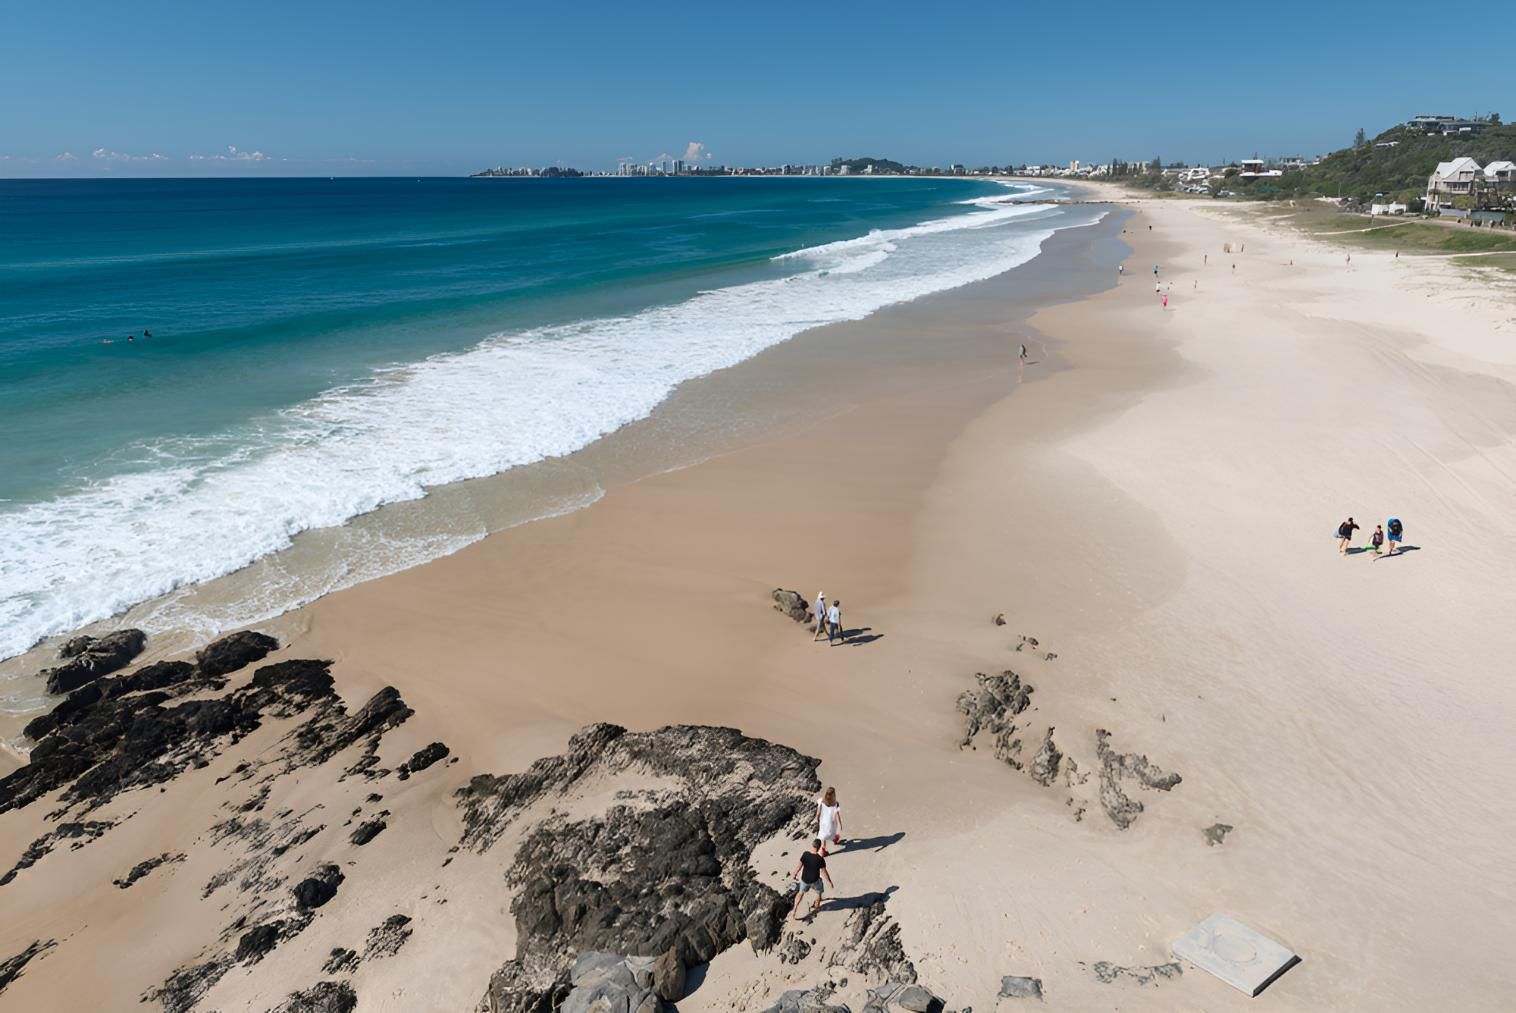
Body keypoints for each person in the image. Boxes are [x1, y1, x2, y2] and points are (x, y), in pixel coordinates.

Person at [790, 839, 834, 921]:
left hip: (804, 880)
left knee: (800, 893)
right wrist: (829, 882)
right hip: (815, 881)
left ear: (812, 845)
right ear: (820, 847)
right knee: (819, 892)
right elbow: (824, 872)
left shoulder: (805, 854)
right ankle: (817, 907)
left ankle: (794, 909)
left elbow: (799, 866)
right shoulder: (820, 859)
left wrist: (794, 874)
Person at [816, 787, 844, 855]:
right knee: (832, 831)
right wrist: (840, 824)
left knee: (823, 836)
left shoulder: (821, 801)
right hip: (831, 822)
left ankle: (823, 850)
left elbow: (818, 813)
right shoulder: (836, 804)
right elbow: (837, 815)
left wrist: (817, 819)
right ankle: (834, 839)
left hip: (823, 822)